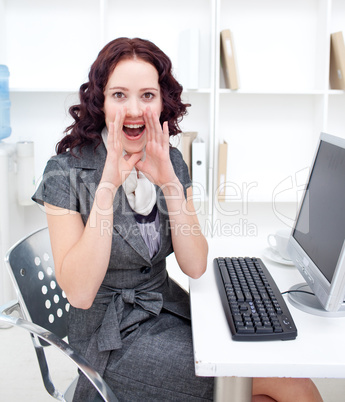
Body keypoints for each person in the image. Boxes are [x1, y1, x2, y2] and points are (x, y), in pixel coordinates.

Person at [32, 37, 322, 402]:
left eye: (147, 95)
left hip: (167, 310)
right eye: (119, 95)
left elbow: (195, 264)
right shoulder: (65, 172)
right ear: (101, 102)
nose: (134, 109)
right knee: (291, 385)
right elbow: (80, 292)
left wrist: (169, 181)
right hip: (111, 342)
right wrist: (107, 184)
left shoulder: (169, 159)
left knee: (263, 392)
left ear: (162, 102)